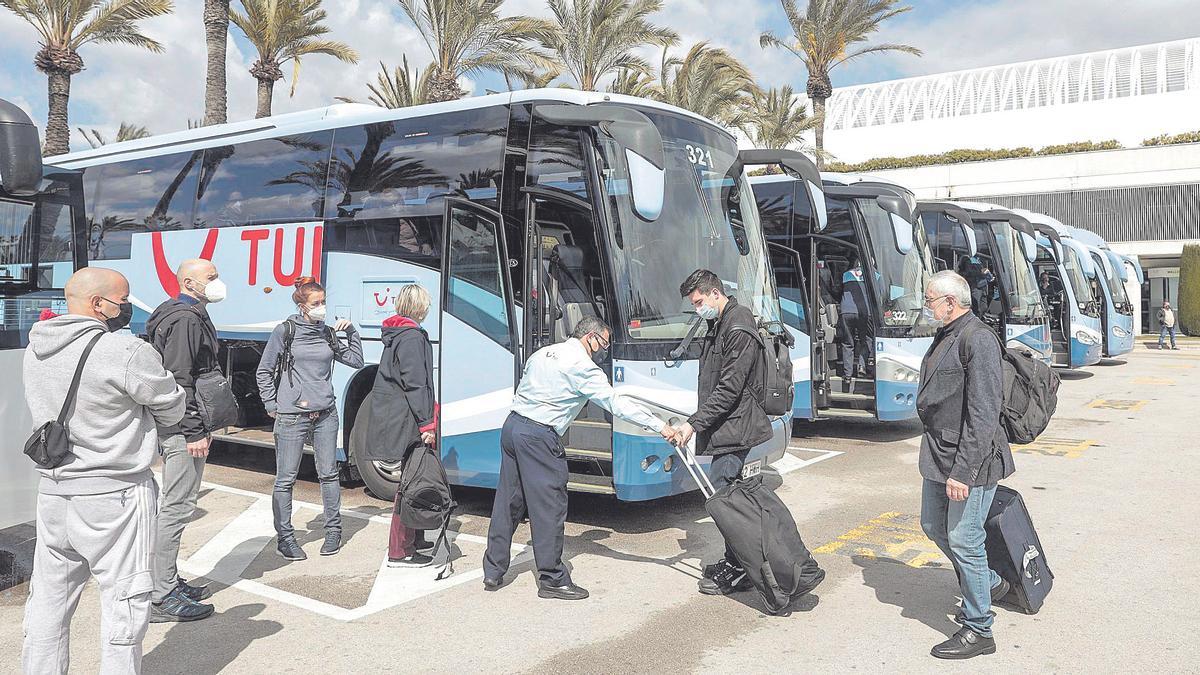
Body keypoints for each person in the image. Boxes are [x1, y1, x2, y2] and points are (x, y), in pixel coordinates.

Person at [22, 267, 186, 674]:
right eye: (123, 299)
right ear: (99, 304)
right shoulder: (125, 351)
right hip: (115, 494)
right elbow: (172, 404)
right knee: (124, 601)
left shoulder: (37, 346)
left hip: (55, 491)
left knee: (48, 599)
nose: (127, 306)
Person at [482, 316, 677, 600]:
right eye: (604, 345)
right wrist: (660, 426)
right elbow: (615, 403)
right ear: (591, 338)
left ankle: (493, 569)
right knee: (549, 506)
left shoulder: (543, 353)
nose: (604, 352)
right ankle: (551, 579)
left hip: (513, 427)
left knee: (508, 501)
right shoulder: (583, 367)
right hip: (539, 435)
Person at [672, 270, 825, 598]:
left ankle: (740, 567)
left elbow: (730, 388)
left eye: (699, 302)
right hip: (727, 427)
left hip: (735, 428)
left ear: (715, 294)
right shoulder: (722, 321)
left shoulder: (737, 326)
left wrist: (692, 424)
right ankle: (737, 561)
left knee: (726, 502)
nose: (698, 309)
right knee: (729, 500)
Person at [916, 271, 1016, 660]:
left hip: (969, 459)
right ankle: (990, 583)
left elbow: (985, 411)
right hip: (940, 454)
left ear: (950, 303)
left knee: (965, 538)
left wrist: (963, 472)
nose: (926, 307)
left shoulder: (978, 338)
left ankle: (979, 628)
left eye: (930, 300)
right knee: (931, 525)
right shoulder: (949, 332)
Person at [256, 277, 364, 561]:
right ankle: (286, 538)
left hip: (326, 414)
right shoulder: (286, 331)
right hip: (292, 416)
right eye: (316, 304)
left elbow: (355, 361)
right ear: (302, 306)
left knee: (328, 474)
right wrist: (271, 403)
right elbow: (264, 370)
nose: (322, 308)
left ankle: (333, 531)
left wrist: (351, 332)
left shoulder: (328, 333)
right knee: (285, 479)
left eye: (324, 302)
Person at [144, 259, 226, 622]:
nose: (218, 282)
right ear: (190, 283)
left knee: (178, 506)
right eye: (211, 278)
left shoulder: (183, 313)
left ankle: (168, 580)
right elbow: (179, 379)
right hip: (182, 429)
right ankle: (161, 596)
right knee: (176, 508)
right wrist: (193, 430)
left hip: (184, 425)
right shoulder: (185, 319)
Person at [363, 284, 438, 568]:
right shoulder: (411, 337)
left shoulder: (397, 334)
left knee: (413, 478)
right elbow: (415, 382)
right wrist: (426, 423)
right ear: (420, 307)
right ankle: (400, 550)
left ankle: (415, 539)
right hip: (408, 418)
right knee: (409, 484)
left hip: (399, 415)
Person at [839, 256, 873, 381]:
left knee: (848, 342)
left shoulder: (846, 274)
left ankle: (847, 375)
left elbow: (838, 290)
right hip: (865, 312)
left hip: (846, 311)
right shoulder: (875, 275)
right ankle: (862, 368)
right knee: (866, 339)